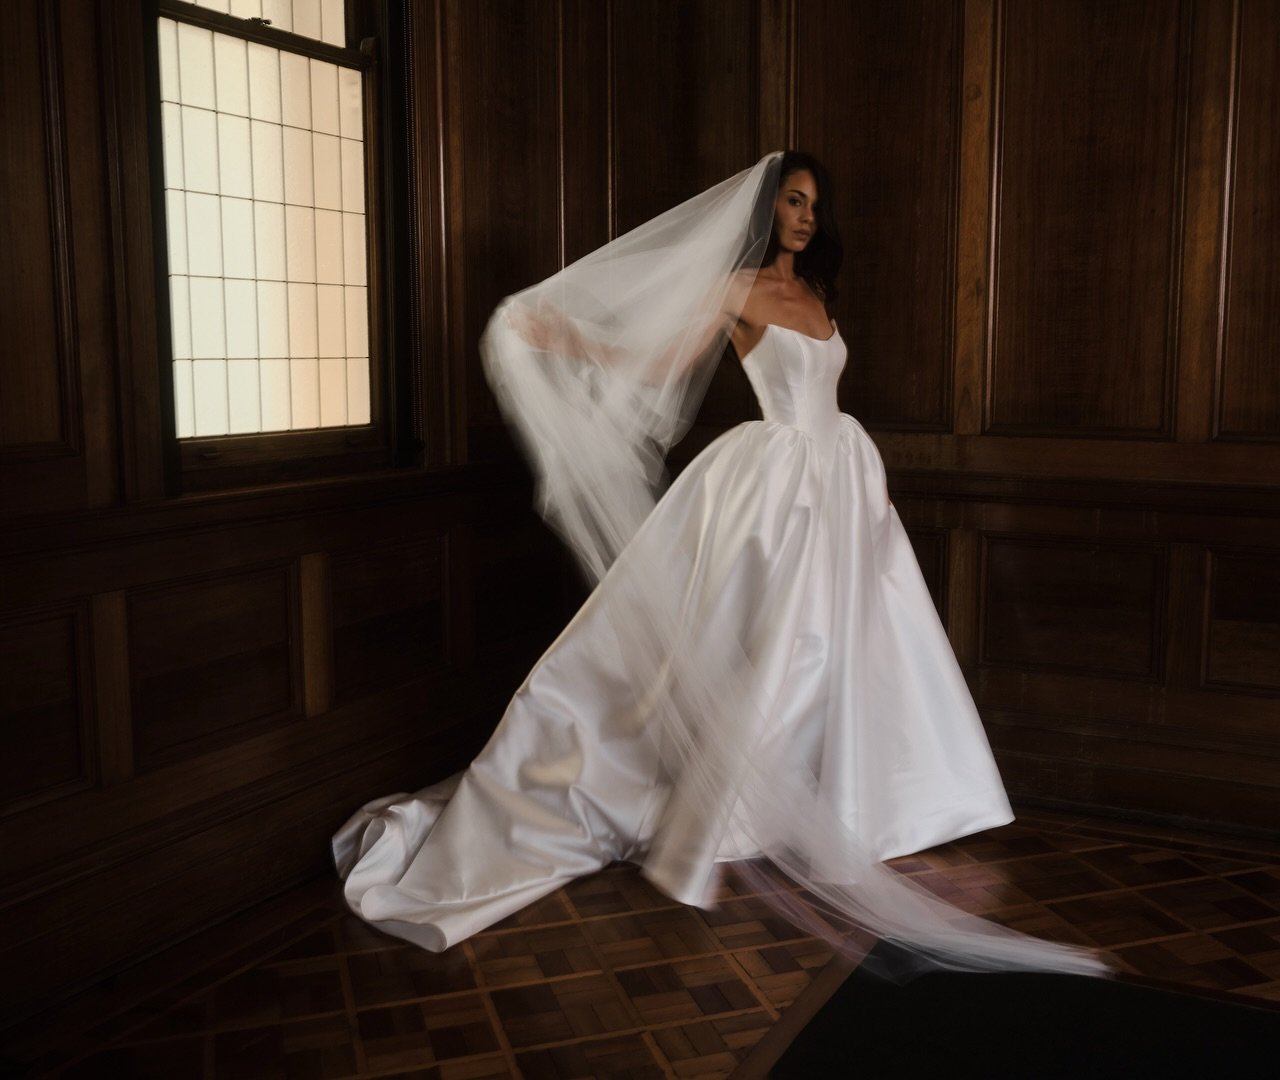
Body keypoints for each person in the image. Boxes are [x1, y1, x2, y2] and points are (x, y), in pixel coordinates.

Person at [333, 152, 1106, 977]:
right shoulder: (736, 292)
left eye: (815, 205)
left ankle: (843, 806)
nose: (806, 217)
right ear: (764, 211)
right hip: (775, 488)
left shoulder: (815, 296)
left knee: (847, 647)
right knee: (776, 649)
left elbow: (827, 398)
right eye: (794, 202)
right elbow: (662, 365)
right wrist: (568, 339)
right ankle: (729, 817)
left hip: (843, 476)